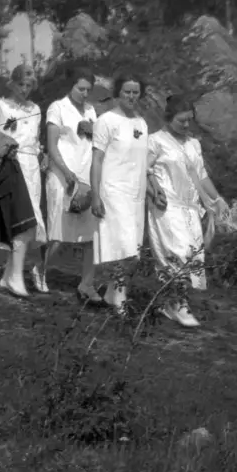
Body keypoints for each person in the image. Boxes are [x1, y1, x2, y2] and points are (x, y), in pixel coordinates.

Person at [146, 93, 230, 327]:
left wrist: (217, 198)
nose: (185, 125)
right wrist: (154, 192)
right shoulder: (155, 141)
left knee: (192, 256)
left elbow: (201, 176)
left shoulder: (194, 144)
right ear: (169, 118)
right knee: (177, 253)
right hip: (166, 206)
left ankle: (170, 303)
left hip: (191, 208)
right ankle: (178, 305)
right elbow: (144, 170)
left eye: (189, 120)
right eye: (181, 120)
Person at [0, 64, 47, 297]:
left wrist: (40, 153)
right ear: (12, 83)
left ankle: (8, 276)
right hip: (9, 169)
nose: (24, 89)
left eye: (29, 85)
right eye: (21, 84)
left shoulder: (35, 109)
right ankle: (16, 277)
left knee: (31, 222)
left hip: (31, 169)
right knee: (21, 220)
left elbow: (34, 140)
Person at [38, 65, 100, 300]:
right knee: (59, 230)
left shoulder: (91, 110)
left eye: (88, 90)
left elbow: (95, 145)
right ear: (71, 86)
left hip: (85, 178)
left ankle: (87, 283)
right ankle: (40, 270)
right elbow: (52, 145)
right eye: (80, 88)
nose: (84, 93)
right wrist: (65, 171)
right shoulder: (57, 108)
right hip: (61, 175)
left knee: (90, 234)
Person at [90, 72, 151, 312]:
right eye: (127, 91)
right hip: (113, 190)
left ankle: (112, 294)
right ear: (117, 93)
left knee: (133, 249)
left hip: (136, 193)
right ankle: (119, 297)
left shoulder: (141, 123)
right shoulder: (106, 121)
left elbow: (143, 162)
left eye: (136, 92)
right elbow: (96, 160)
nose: (131, 96)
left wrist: (152, 189)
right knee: (125, 247)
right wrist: (96, 195)